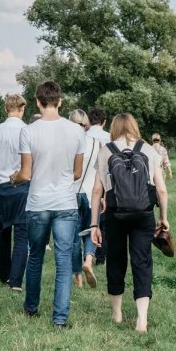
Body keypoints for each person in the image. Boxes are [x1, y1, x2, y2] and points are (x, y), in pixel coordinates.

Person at [11, 81, 86, 328]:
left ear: (38, 102)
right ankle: (60, 318)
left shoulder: (28, 132)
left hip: (38, 203)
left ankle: (31, 306)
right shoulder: (76, 131)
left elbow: (25, 174)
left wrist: (13, 178)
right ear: (60, 101)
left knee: (35, 257)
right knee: (63, 261)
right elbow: (77, 172)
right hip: (65, 202)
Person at [91, 112, 169, 333]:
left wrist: (94, 224)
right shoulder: (149, 150)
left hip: (115, 214)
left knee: (115, 259)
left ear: (114, 128)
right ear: (134, 127)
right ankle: (142, 319)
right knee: (142, 261)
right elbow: (161, 189)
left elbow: (97, 191)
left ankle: (117, 314)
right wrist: (163, 217)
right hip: (143, 214)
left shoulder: (106, 151)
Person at [0, 94, 29, 292]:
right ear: (23, 108)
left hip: (1, 186)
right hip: (23, 186)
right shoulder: (28, 130)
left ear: (5, 109)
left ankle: (4, 275)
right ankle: (16, 281)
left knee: (3, 233)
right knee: (22, 234)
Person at [68, 109, 99, 288]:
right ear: (86, 123)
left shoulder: (66, 143)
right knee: (91, 229)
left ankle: (78, 277)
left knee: (73, 237)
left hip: (70, 194)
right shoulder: (96, 143)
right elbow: (101, 172)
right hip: (91, 193)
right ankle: (88, 260)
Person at [86, 108, 110, 265]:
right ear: (104, 122)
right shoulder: (110, 138)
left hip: (83, 185)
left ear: (89, 121)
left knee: (85, 222)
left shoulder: (83, 137)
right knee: (103, 222)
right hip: (103, 182)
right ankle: (101, 257)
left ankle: (85, 254)